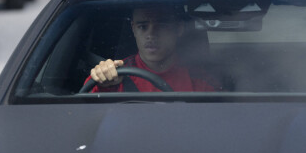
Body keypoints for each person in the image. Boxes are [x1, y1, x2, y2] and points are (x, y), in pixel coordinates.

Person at [86, 5, 218, 92]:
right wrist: (103, 84)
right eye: (143, 27)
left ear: (179, 29)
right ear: (133, 29)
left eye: (161, 26)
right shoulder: (111, 77)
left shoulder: (201, 81)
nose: (151, 35)